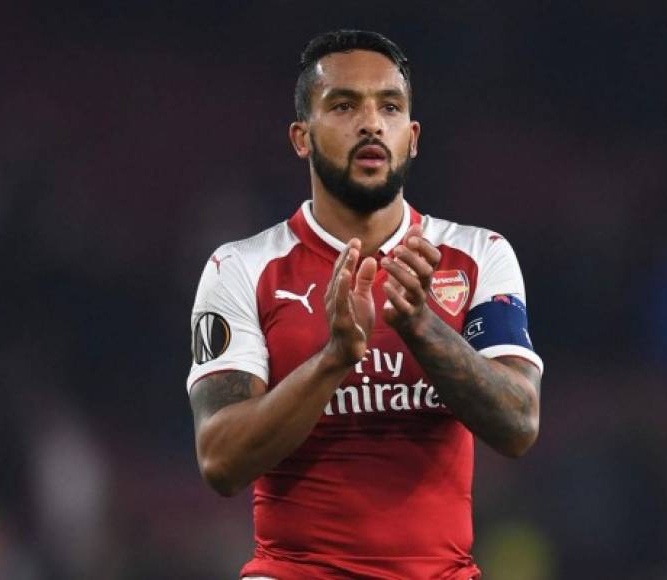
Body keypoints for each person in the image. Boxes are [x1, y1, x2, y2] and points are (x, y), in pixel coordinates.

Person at [186, 30, 543, 580]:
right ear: (301, 137)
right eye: (344, 105)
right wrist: (335, 357)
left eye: (390, 107)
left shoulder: (477, 256)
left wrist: (422, 328)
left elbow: (518, 424)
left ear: (413, 136)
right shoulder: (241, 268)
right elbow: (221, 462)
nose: (371, 123)